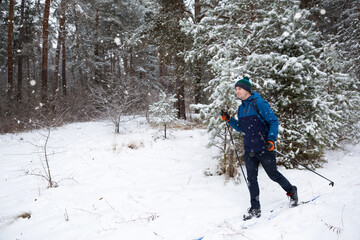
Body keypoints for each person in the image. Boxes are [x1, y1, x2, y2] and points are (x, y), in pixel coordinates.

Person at [220, 76, 298, 220]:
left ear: (247, 90)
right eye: (236, 89)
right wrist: (229, 120)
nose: (237, 91)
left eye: (239, 89)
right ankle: (255, 207)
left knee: (273, 175)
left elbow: (273, 121)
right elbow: (240, 127)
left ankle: (291, 190)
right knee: (251, 179)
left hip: (264, 148)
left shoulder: (259, 103)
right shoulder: (241, 108)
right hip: (249, 149)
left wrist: (271, 139)